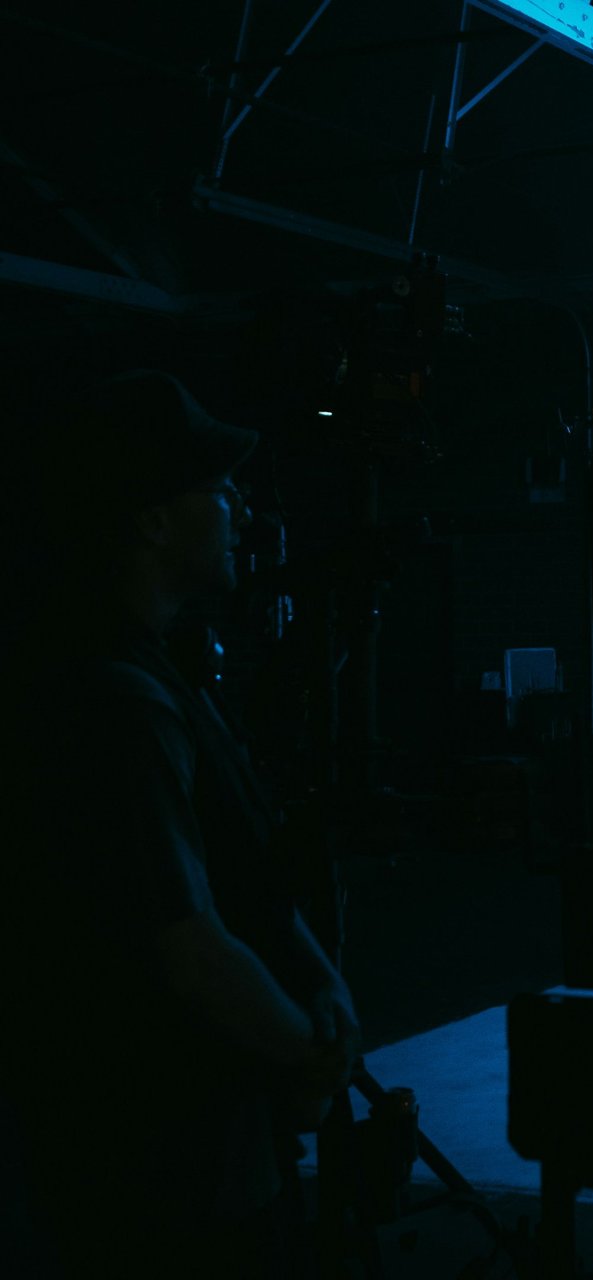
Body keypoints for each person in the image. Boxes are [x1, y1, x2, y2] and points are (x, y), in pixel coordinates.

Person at [0, 371, 358, 1275]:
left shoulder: (150, 675)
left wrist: (316, 984)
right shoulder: (115, 701)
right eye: (216, 487)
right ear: (151, 520)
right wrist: (309, 1053)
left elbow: (248, 882)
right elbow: (190, 948)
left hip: (199, 1150)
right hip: (171, 1173)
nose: (240, 504)